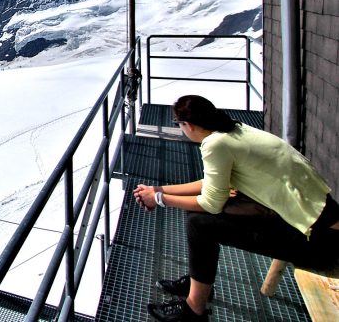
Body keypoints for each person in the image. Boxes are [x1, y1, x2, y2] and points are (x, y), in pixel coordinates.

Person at [134, 95, 339, 322]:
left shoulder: (215, 144)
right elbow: (210, 183)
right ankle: (199, 285)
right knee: (198, 214)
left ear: (188, 125)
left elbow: (211, 203)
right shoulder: (235, 131)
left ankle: (194, 311)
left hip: (323, 245)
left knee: (199, 223)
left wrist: (160, 199)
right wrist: (158, 189)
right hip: (319, 224)